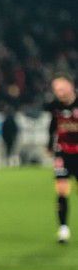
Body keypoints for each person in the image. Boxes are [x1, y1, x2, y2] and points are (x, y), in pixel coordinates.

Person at [47, 75, 78, 243]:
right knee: (61, 190)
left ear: (70, 86)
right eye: (56, 90)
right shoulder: (55, 106)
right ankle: (63, 229)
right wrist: (49, 145)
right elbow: (52, 126)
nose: (59, 92)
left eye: (61, 88)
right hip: (63, 153)